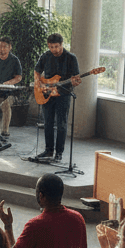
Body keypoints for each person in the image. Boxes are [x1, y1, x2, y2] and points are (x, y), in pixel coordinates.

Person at [33, 33, 81, 162]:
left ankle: (59, 153)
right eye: (51, 47)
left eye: (56, 46)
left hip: (63, 94)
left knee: (61, 124)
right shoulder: (46, 56)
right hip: (47, 93)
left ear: (61, 44)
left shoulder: (71, 58)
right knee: (47, 123)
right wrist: (38, 83)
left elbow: (75, 78)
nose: (53, 49)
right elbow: (37, 70)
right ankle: (48, 150)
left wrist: (75, 81)